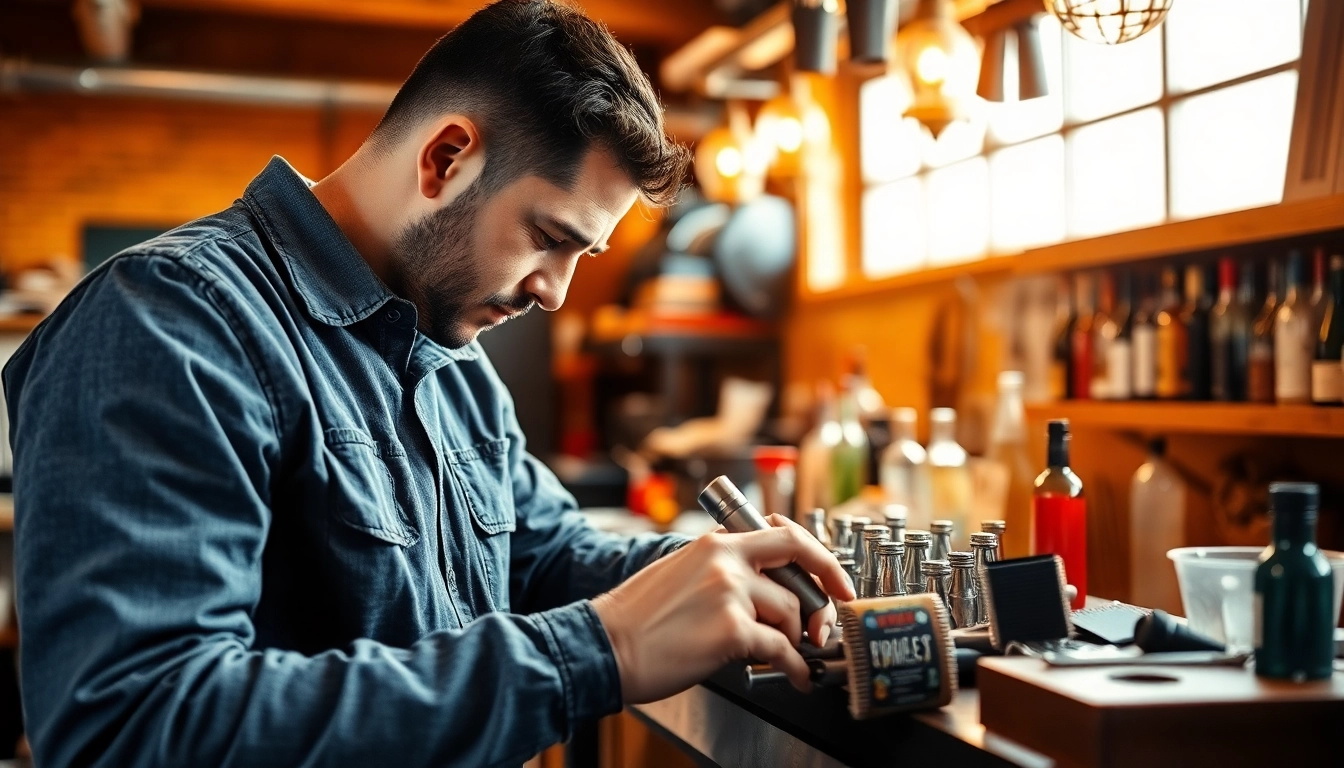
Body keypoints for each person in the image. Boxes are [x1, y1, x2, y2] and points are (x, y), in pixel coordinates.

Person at [2, 1, 853, 765]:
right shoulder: (169, 322)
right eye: (549, 237)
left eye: (581, 256)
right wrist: (602, 650)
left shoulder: (451, 361)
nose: (555, 292)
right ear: (447, 157)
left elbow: (547, 556)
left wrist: (718, 571)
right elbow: (135, 727)